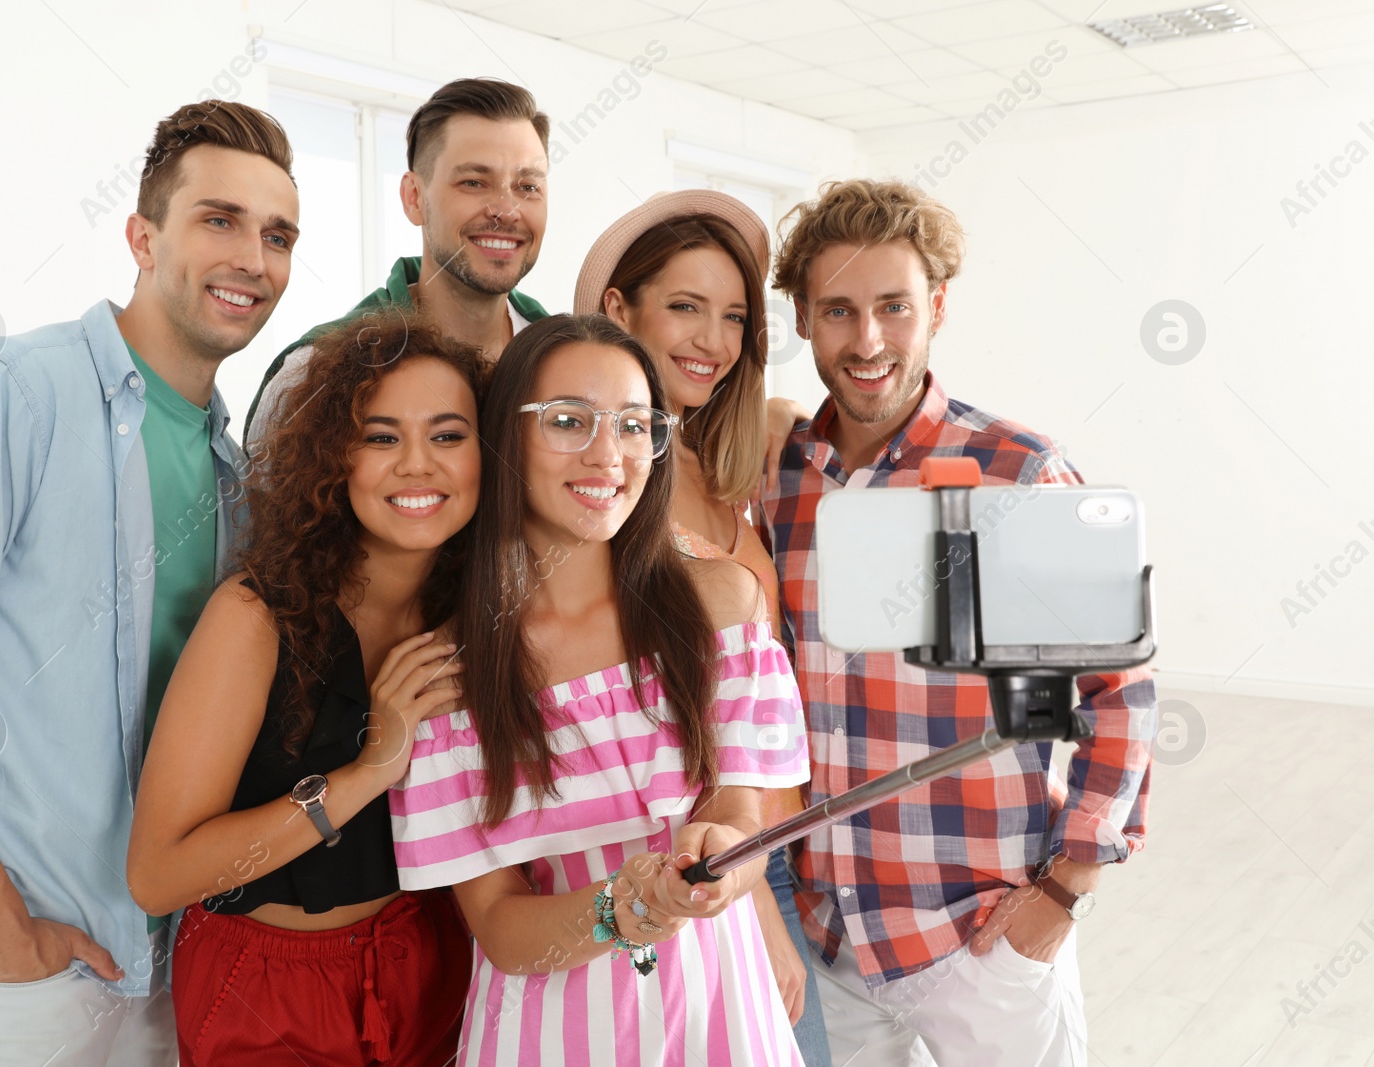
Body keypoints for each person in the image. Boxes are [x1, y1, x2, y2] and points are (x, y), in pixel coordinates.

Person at [0, 101, 299, 1064]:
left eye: (278, 235)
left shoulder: (233, 472)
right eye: (219, 219)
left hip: (152, 958)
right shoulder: (8, 390)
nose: (254, 258)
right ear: (142, 236)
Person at [762, 178, 1157, 1065]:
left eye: (894, 307)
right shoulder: (778, 483)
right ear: (801, 318)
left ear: (935, 306)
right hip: (835, 937)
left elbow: (1120, 686)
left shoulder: (1015, 469)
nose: (868, 341)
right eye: (838, 310)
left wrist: (1068, 884)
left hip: (983, 931)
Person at [389, 314, 811, 1065]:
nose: (605, 453)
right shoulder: (453, 672)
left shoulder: (724, 607)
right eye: (567, 421)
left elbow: (739, 815)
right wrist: (622, 909)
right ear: (504, 435)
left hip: (722, 1018)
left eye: (631, 424)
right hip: (546, 1036)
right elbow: (498, 924)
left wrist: (719, 865)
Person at [127, 311, 483, 1065]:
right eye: (382, 437)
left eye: (448, 435)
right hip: (268, 989)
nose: (418, 464)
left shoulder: (477, 608)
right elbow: (158, 875)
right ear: (335, 458)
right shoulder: (255, 617)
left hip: (432, 959)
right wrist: (366, 774)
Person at [573, 189, 831, 1065]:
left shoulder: (717, 458)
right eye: (683, 306)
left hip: (783, 836)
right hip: (704, 856)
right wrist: (750, 893)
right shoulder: (604, 482)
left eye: (732, 317)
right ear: (619, 308)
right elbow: (635, 716)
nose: (711, 341)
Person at [246, 76, 552, 445]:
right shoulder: (312, 375)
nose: (506, 210)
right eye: (474, 182)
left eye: (528, 187)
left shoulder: (564, 363)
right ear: (413, 198)